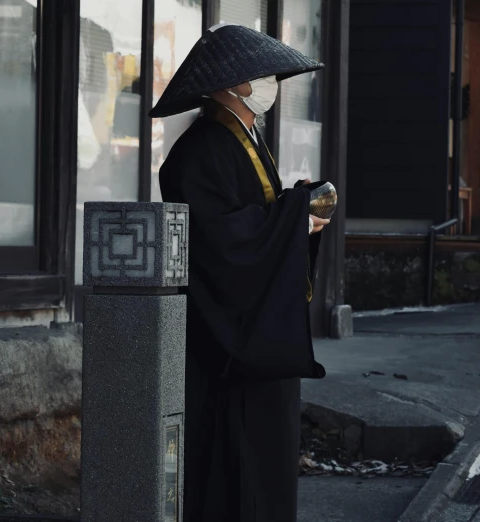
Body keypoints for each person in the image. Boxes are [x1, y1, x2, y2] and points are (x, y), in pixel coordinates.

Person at [149, 23, 329, 522]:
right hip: (227, 335)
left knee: (262, 458)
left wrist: (296, 214)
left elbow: (255, 223)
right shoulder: (201, 148)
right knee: (232, 464)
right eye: (263, 74)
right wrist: (293, 216)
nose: (271, 82)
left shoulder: (243, 137)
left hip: (255, 324)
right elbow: (222, 242)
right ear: (233, 85)